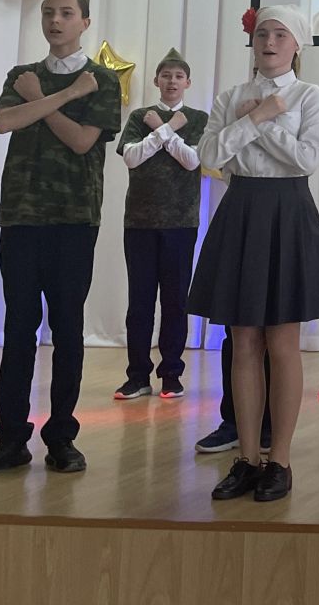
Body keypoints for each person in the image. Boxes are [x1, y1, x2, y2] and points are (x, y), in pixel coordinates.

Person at [0, 0, 123, 477]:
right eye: (48, 13)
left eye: (65, 13)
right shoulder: (23, 75)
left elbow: (82, 142)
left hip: (74, 218)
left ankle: (61, 437)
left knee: (68, 328)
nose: (55, 21)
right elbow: (4, 123)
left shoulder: (101, 80)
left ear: (84, 21)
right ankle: (11, 439)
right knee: (18, 326)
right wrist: (60, 95)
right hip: (20, 216)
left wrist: (45, 100)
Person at [189, 5, 319, 503]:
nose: (269, 42)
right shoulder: (231, 97)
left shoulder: (309, 96)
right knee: (243, 339)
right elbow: (210, 156)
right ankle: (248, 458)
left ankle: (281, 460)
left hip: (287, 210)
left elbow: (306, 160)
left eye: (280, 34)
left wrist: (262, 122)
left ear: (297, 44)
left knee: (282, 341)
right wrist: (256, 116)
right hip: (242, 209)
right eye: (262, 34)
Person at [113, 48, 207, 402]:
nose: (172, 81)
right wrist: (163, 129)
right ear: (156, 80)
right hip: (139, 222)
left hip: (181, 222)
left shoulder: (197, 118)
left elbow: (192, 161)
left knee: (175, 301)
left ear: (188, 83)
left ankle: (171, 374)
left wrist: (166, 130)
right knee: (139, 302)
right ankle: (137, 376)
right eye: (166, 75)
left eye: (178, 76)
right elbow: (132, 157)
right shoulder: (141, 116)